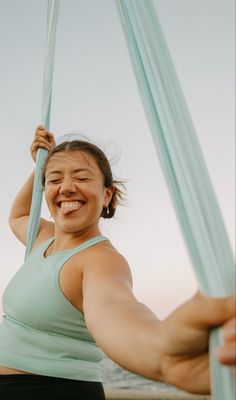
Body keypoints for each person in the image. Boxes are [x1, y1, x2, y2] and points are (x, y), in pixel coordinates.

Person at [0, 125, 235, 400]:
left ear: (107, 194)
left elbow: (114, 308)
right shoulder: (42, 238)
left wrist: (160, 349)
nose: (65, 188)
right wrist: (42, 163)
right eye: (54, 181)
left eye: (82, 177)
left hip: (50, 391)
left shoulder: (100, 260)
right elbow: (19, 214)